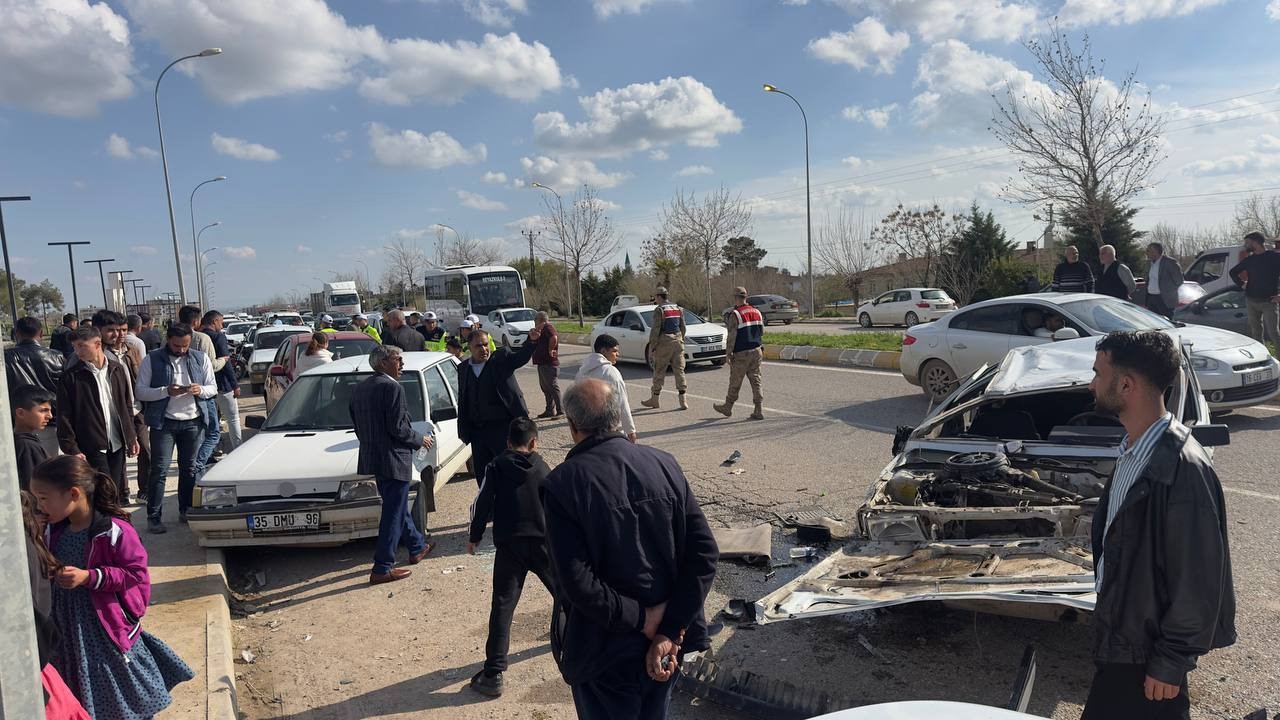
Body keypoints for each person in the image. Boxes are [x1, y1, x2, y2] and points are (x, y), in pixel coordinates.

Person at [542, 379, 718, 719]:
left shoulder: (564, 483)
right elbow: (705, 554)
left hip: (606, 651)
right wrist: (666, 628)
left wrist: (650, 623)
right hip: (666, 641)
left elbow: (576, 582)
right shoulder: (663, 463)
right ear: (617, 418)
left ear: (572, 425)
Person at [1082, 331, 1235, 719]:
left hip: (1147, 659)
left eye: (1098, 373)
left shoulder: (1182, 467)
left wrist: (1171, 661)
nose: (1091, 383)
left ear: (1127, 385)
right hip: (1122, 643)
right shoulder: (1134, 450)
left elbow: (1199, 579)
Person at [30, 455, 195, 718]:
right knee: (78, 686)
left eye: (43, 498)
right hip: (67, 628)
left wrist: (89, 577)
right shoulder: (52, 531)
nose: (38, 506)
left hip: (105, 629)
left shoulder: (115, 531)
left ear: (73, 494)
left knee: (118, 688)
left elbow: (134, 573)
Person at [466, 417, 556, 698]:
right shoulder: (544, 468)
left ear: (507, 443)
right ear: (534, 442)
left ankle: (493, 673)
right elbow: (557, 505)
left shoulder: (495, 467)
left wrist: (475, 535)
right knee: (567, 595)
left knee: (503, 606)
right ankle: (578, 643)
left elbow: (481, 503)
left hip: (510, 546)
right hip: (543, 544)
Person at [349, 345, 436, 585]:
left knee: (395, 505)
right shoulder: (392, 387)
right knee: (393, 513)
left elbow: (358, 425)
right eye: (398, 360)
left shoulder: (360, 388)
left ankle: (417, 546)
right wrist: (421, 440)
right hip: (394, 458)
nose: (402, 364)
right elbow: (399, 428)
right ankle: (382, 567)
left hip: (375, 457)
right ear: (383, 363)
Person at [136, 323, 217, 533]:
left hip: (193, 422)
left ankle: (186, 510)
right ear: (167, 340)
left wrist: (200, 390)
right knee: (159, 470)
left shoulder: (201, 358)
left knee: (189, 469)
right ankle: (154, 517)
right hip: (164, 424)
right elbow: (141, 392)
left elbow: (212, 388)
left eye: (185, 345)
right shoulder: (152, 359)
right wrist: (165, 391)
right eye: (176, 345)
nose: (181, 349)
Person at [57, 325, 139, 504]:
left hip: (116, 442)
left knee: (114, 490)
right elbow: (64, 415)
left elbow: (126, 405)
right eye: (74, 347)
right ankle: (105, 527)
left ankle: (114, 528)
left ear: (97, 344)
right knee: (102, 492)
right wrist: (71, 448)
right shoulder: (71, 377)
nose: (77, 352)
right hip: (91, 445)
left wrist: (131, 436)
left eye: (81, 346)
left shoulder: (116, 370)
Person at [459, 328, 539, 485]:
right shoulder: (463, 369)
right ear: (469, 348)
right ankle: (488, 504)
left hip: (502, 429)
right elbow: (463, 399)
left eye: (485, 344)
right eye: (478, 346)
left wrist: (532, 342)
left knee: (509, 471)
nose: (484, 349)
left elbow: (520, 358)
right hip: (478, 432)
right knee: (483, 475)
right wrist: (464, 428)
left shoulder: (501, 359)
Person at [5, 315, 66, 455]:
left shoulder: (6, 358)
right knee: (50, 468)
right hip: (51, 420)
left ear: (17, 334)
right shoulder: (57, 357)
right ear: (41, 333)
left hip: (20, 421)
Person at [714, 287, 765, 421]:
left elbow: (732, 336)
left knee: (735, 381)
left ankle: (728, 407)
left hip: (741, 353)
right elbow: (761, 331)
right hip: (756, 350)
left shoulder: (735, 314)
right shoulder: (757, 312)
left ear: (736, 298)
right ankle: (758, 409)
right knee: (756, 380)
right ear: (746, 297)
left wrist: (728, 353)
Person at [575, 334, 637, 442]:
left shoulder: (581, 372)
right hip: (610, 432)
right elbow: (622, 403)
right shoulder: (611, 372)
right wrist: (630, 431)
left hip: (586, 432)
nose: (617, 354)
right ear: (603, 351)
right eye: (614, 351)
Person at [1228, 231, 1280, 346]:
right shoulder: (1250, 260)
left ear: (1256, 243)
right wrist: (1242, 284)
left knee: (1274, 334)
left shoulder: (1275, 257)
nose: (1245, 245)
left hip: (1269, 302)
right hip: (1251, 300)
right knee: (1256, 334)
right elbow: (1232, 272)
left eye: (1247, 242)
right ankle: (1261, 361)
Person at [640, 287, 688, 411]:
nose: (655, 299)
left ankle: (654, 399)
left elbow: (655, 330)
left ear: (659, 297)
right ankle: (683, 400)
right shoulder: (678, 308)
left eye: (656, 296)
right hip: (678, 341)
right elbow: (683, 327)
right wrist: (680, 338)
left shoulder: (659, 310)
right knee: (679, 370)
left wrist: (652, 346)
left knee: (659, 370)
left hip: (665, 342)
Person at [204, 312, 242, 455]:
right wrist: (235, 384)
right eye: (221, 322)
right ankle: (237, 449)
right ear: (214, 321)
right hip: (222, 384)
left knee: (211, 420)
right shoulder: (218, 336)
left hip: (205, 386)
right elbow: (225, 361)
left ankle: (213, 448)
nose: (222, 325)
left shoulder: (199, 336)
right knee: (233, 419)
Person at [13, 385, 54, 490]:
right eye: (43, 410)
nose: (50, 416)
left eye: (49, 410)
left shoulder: (24, 442)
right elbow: (32, 489)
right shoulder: (27, 446)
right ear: (20, 413)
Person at [531, 311, 562, 418]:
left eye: (535, 320)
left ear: (541, 320)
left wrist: (550, 350)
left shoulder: (547, 327)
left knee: (553, 387)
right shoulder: (541, 329)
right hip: (543, 363)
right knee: (546, 388)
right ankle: (549, 410)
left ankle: (561, 411)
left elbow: (554, 337)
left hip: (549, 364)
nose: (535, 323)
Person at [1143, 242, 1184, 319]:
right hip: (1151, 298)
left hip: (1164, 299)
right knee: (1153, 322)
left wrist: (1168, 291)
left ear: (1155, 251)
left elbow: (1179, 280)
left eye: (1148, 251)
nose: (1146, 253)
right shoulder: (1149, 263)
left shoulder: (1170, 262)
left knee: (1167, 322)